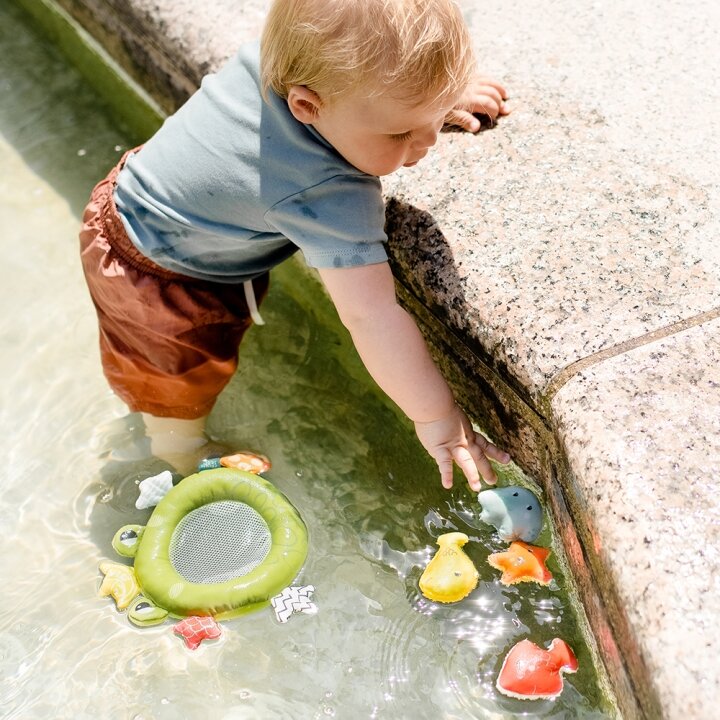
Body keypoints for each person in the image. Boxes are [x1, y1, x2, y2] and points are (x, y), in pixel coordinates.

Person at [79, 0, 511, 491]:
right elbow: (371, 317)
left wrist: (419, 104)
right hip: (156, 279)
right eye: (401, 131)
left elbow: (369, 67)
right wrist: (436, 416)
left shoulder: (290, 62)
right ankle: (179, 450)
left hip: (138, 194)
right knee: (178, 382)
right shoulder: (327, 192)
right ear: (307, 107)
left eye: (435, 112)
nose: (429, 140)